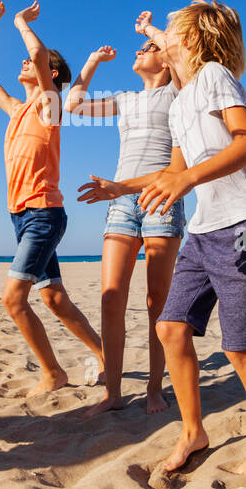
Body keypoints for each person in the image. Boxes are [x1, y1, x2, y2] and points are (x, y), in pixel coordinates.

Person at [79, 1, 246, 476]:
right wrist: (121, 187)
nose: (156, 36)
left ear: (187, 42)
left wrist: (187, 179)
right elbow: (172, 171)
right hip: (202, 229)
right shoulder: (179, 101)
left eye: (166, 31)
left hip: (243, 223)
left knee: (239, 348)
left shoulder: (214, 76)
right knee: (170, 329)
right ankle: (193, 430)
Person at [0, 0, 103, 396]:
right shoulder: (17, 109)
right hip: (20, 215)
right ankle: (106, 357)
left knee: (13, 300)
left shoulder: (49, 106)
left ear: (50, 74)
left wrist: (18, 22)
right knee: (54, 299)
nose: (25, 64)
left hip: (43, 213)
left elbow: (37, 51)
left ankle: (53, 373)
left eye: (33, 64)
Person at [64, 33, 183, 417]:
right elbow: (73, 104)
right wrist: (92, 61)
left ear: (164, 61)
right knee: (112, 297)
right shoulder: (125, 100)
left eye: (147, 50)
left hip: (161, 197)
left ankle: (154, 388)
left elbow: (180, 52)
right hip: (119, 200)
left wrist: (152, 32)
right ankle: (112, 393)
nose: (139, 51)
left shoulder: (178, 92)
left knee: (156, 302)